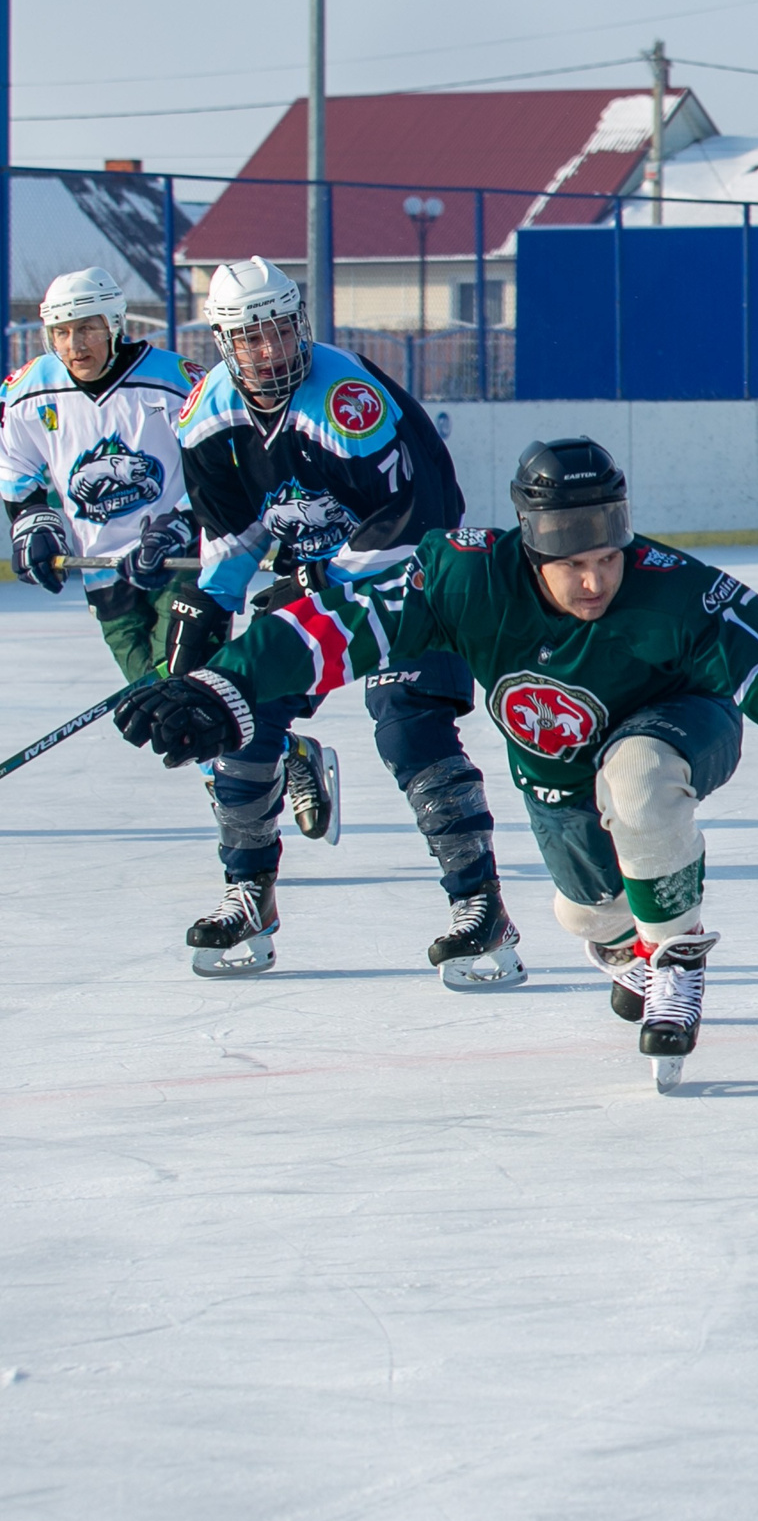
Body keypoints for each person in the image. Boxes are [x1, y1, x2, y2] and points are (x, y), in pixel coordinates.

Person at [115, 437, 758, 1090]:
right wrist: (220, 686)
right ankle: (631, 950)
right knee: (588, 914)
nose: (595, 581)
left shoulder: (679, 591)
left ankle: (679, 961)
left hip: (681, 724)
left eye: (607, 559)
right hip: (554, 766)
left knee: (639, 783)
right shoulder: (466, 576)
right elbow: (340, 622)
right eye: (572, 566)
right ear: (531, 546)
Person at [169, 255, 513, 984]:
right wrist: (207, 617)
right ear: (224, 342)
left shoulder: (348, 401)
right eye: (251, 339)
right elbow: (234, 534)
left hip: (409, 579)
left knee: (409, 725)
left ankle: (479, 905)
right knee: (244, 710)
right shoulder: (207, 414)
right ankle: (248, 894)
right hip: (314, 578)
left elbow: (417, 521)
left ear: (300, 324)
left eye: (280, 332)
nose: (270, 352)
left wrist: (323, 576)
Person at [3, 268, 206, 682]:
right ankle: (285, 749)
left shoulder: (178, 383)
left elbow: (220, 468)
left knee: (185, 698)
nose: (74, 346)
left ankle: (267, 746)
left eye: (87, 329)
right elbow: (15, 463)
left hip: (181, 561)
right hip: (102, 569)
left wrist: (183, 521)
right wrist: (32, 518)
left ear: (114, 325)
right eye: (60, 332)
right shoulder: (29, 390)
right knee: (154, 710)